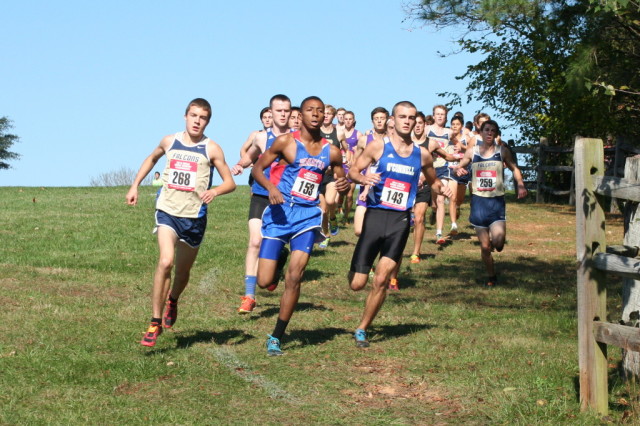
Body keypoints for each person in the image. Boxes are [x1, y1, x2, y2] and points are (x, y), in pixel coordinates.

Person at [126, 98, 236, 347]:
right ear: (185, 116)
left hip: (194, 217)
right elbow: (151, 158)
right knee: (166, 261)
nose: (197, 121)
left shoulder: (212, 148)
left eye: (203, 117)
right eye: (194, 115)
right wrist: (135, 185)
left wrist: (215, 192)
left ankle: (173, 299)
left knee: (183, 272)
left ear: (208, 121)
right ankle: (154, 322)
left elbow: (229, 182)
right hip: (167, 210)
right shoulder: (169, 141)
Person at [347, 101, 452, 348]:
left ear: (417, 121)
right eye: (402, 116)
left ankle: (362, 328)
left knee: (382, 279)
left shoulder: (422, 154)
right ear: (393, 120)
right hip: (375, 216)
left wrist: (442, 188)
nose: (407, 121)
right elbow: (353, 170)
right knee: (356, 284)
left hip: (400, 221)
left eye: (412, 117)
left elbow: (433, 181)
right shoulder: (377, 146)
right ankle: (356, 267)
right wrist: (364, 178)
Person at [251, 96, 348, 355]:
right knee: (264, 281)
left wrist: (344, 186)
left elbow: (342, 180)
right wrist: (270, 188)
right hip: (280, 214)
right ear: (301, 115)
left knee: (295, 277)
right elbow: (257, 170)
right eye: (310, 110)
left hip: (307, 216)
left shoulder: (332, 151)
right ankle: (280, 255)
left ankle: (277, 336)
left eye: (320, 110)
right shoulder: (286, 142)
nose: (315, 114)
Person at [231, 95, 292, 314]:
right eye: (279, 111)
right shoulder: (260, 137)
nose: (283, 114)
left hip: (284, 198)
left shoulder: (296, 139)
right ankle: (249, 296)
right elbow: (249, 157)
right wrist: (240, 165)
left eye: (286, 110)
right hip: (260, 195)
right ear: (271, 113)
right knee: (255, 241)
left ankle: (279, 260)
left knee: (273, 243)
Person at [455, 120, 527, 286]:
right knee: (486, 247)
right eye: (486, 130)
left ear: (496, 134)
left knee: (499, 243)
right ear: (481, 132)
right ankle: (491, 276)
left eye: (492, 131)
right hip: (479, 204)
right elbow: (460, 165)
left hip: (496, 203)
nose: (489, 133)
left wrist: (521, 185)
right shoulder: (473, 152)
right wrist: (458, 168)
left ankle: (497, 247)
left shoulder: (502, 151)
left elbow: (514, 168)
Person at [318, 104, 346, 248]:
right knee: (322, 211)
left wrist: (346, 158)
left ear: (333, 116)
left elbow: (347, 150)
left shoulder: (339, 133)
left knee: (330, 201)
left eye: (329, 113)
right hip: (317, 176)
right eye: (325, 113)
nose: (327, 115)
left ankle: (333, 218)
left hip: (331, 175)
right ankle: (326, 235)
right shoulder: (315, 132)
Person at [427, 105, 454, 245]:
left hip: (443, 167)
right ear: (433, 115)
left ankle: (439, 233)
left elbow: (459, 144)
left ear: (446, 117)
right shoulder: (427, 129)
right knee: (434, 203)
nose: (439, 117)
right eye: (437, 114)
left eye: (442, 114)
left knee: (440, 200)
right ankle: (433, 212)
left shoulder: (449, 133)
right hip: (429, 168)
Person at [340, 111, 363, 224]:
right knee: (340, 192)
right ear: (343, 120)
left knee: (349, 195)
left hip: (352, 166)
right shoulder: (339, 133)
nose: (348, 121)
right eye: (346, 119)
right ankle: (339, 207)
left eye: (350, 119)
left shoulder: (358, 134)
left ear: (353, 120)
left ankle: (346, 216)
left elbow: (363, 150)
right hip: (341, 166)